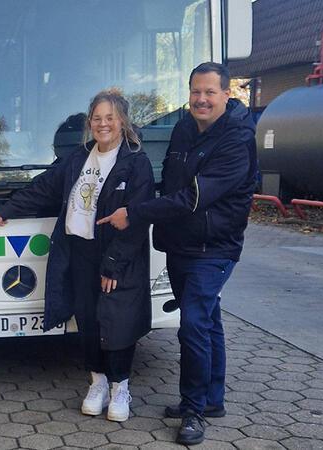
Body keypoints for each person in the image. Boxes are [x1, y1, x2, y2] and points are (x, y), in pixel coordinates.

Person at [97, 62, 258, 445]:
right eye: (195, 92)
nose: (201, 100)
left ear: (226, 95)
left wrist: (133, 212)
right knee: (208, 321)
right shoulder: (186, 127)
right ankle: (212, 399)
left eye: (210, 93)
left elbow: (191, 198)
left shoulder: (237, 139)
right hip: (180, 244)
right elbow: (168, 182)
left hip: (213, 248)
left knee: (193, 326)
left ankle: (193, 411)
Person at [0, 89, 155, 422]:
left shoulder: (136, 163)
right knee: (89, 320)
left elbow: (137, 220)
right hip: (79, 252)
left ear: (121, 121)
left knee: (117, 322)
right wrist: (7, 208)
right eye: (97, 118)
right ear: (89, 122)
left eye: (110, 118)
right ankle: (97, 382)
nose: (103, 124)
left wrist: (112, 265)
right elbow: (44, 188)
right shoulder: (78, 159)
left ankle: (121, 387)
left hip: (115, 257)